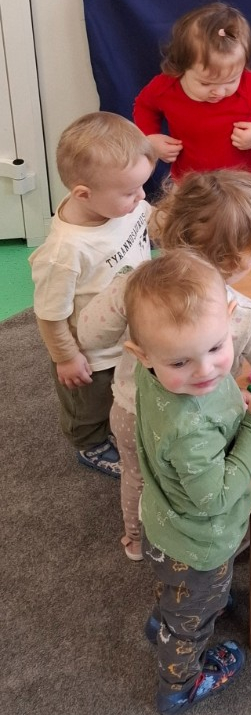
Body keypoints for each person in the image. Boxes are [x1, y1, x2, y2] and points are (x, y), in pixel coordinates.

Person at [78, 170, 251, 560]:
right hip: (203, 421)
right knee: (202, 483)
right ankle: (211, 542)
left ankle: (136, 540)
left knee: (139, 474)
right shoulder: (240, 312)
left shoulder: (137, 284)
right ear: (237, 259)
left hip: (131, 409)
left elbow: (89, 334)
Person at [127, 250, 251, 715]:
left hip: (164, 522)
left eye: (216, 348)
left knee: (177, 594)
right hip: (198, 545)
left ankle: (165, 618)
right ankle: (179, 684)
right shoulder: (190, 429)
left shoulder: (155, 370)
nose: (204, 371)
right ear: (142, 354)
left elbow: (202, 380)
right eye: (181, 361)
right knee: (191, 623)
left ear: (231, 321)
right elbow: (215, 497)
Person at [29, 113, 154, 477]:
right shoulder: (64, 252)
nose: (141, 197)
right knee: (89, 404)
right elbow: (50, 314)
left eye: (142, 186)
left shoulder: (121, 204)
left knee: (128, 389)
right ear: (83, 194)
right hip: (91, 353)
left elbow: (149, 218)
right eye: (130, 192)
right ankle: (90, 443)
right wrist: (66, 357)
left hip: (130, 331)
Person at [133, 1, 251, 179]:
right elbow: (144, 106)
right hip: (188, 181)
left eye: (231, 81)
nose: (219, 92)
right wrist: (150, 139)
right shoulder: (166, 86)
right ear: (181, 67)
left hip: (243, 182)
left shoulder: (250, 84)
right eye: (206, 83)